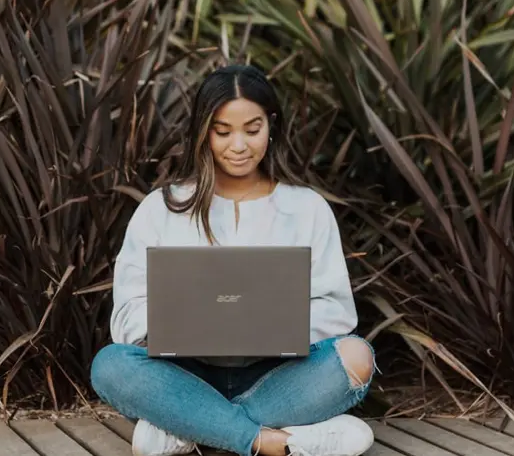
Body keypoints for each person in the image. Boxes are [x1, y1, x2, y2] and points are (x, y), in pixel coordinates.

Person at [90, 65, 377, 456]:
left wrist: (275, 329)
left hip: (279, 376)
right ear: (202, 131)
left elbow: (337, 312)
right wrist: (175, 329)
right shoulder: (163, 208)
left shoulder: (307, 208)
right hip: (186, 375)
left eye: (252, 129)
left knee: (357, 357)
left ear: (271, 125)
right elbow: (128, 312)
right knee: (109, 365)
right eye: (222, 132)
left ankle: (190, 430)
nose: (238, 146)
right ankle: (267, 440)